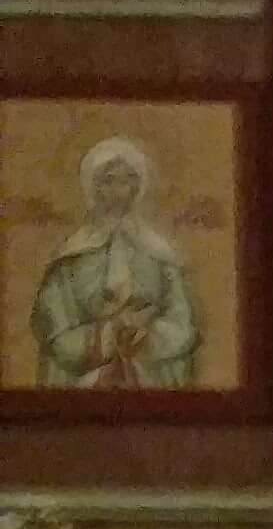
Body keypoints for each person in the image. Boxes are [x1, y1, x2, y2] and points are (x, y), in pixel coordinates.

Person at [31, 136, 199, 392]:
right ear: (92, 187)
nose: (117, 192)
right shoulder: (68, 259)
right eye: (108, 181)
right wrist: (106, 337)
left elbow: (182, 324)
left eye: (126, 181)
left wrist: (147, 338)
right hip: (84, 385)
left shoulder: (160, 255)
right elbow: (54, 331)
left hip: (151, 382)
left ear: (138, 187)